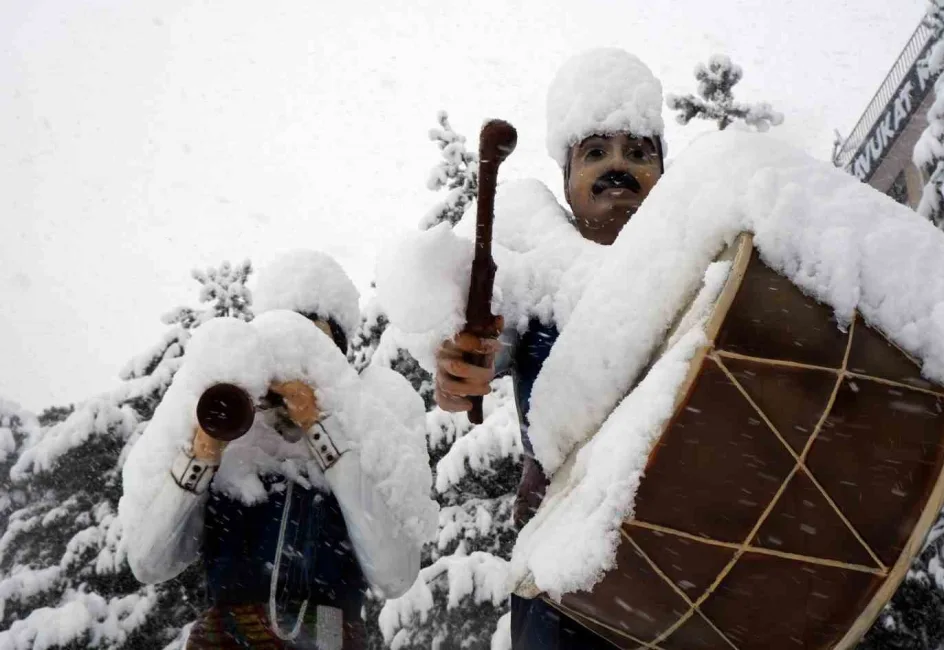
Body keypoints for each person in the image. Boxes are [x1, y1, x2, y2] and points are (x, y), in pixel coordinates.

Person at [432, 48, 666, 650]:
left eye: (638, 152)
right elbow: (477, 354)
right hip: (562, 569)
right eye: (595, 153)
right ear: (566, 181)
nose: (619, 166)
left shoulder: (702, 267)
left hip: (689, 554)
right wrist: (461, 370)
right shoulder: (535, 275)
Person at [120, 250, 436, 649]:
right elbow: (149, 562)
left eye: (315, 350)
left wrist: (322, 430)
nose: (295, 363)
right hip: (229, 636)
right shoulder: (227, 416)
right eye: (284, 344)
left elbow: (395, 575)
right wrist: (203, 450)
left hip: (327, 637)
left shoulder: (374, 415)